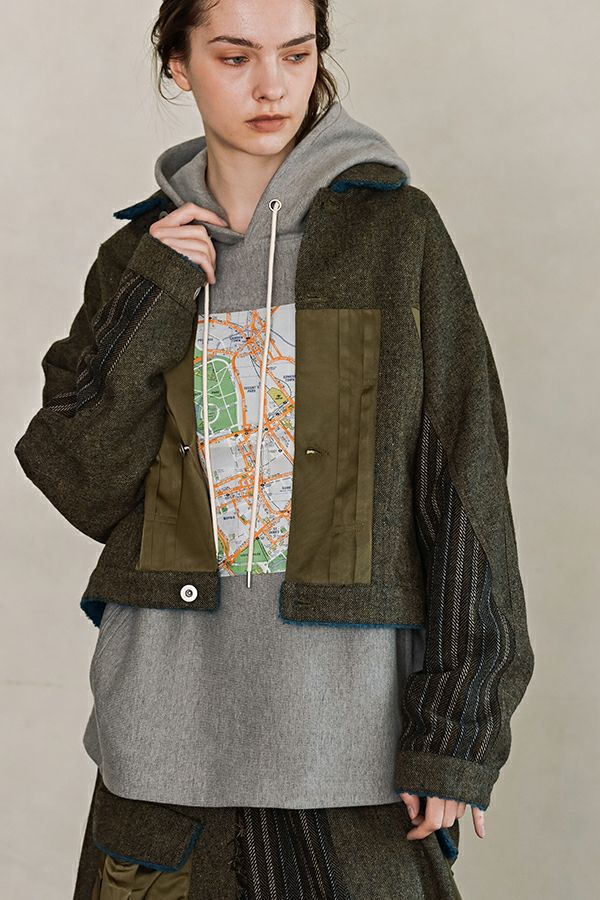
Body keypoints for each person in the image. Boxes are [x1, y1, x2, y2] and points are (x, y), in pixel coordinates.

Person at [13, 1, 535, 898]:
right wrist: (154, 294)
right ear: (178, 64)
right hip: (164, 761)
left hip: (352, 754)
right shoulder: (139, 256)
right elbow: (79, 478)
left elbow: (465, 479)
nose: (272, 85)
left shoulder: (395, 235)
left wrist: (458, 728)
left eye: (296, 54)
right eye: (234, 56)